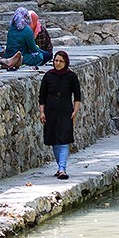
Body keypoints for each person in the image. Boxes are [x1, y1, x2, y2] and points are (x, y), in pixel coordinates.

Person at [39, 51, 81, 180]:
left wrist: (75, 111)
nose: (58, 63)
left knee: (63, 140)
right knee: (54, 141)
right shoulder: (48, 76)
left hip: (65, 112)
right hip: (50, 113)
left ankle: (62, 169)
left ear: (65, 62)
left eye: (60, 61)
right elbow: (42, 96)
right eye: (56, 60)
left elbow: (77, 96)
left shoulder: (71, 77)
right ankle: (60, 166)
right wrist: (42, 112)